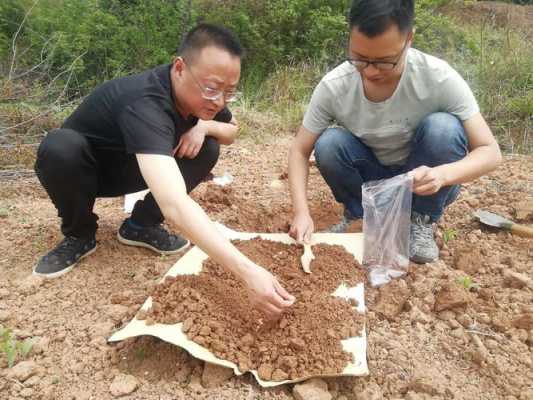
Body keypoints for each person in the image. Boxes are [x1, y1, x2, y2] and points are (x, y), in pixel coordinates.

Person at [34, 23, 295, 318]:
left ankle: (140, 226)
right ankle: (79, 234)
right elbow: (175, 204)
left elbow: (232, 130)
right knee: (60, 146)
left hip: (137, 165)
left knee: (207, 146)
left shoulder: (205, 96)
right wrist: (248, 272)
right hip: (85, 172)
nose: (220, 101)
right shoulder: (145, 101)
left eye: (229, 92)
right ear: (180, 68)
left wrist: (205, 127)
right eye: (212, 89)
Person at [288, 0, 502, 264]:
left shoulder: (437, 77)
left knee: (443, 128)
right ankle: (361, 217)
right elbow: (300, 150)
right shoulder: (335, 86)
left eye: (384, 62)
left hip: (423, 180)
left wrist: (441, 174)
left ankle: (419, 221)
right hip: (374, 178)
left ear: (408, 39)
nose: (370, 71)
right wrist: (301, 212)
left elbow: (490, 152)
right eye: (359, 58)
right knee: (329, 144)